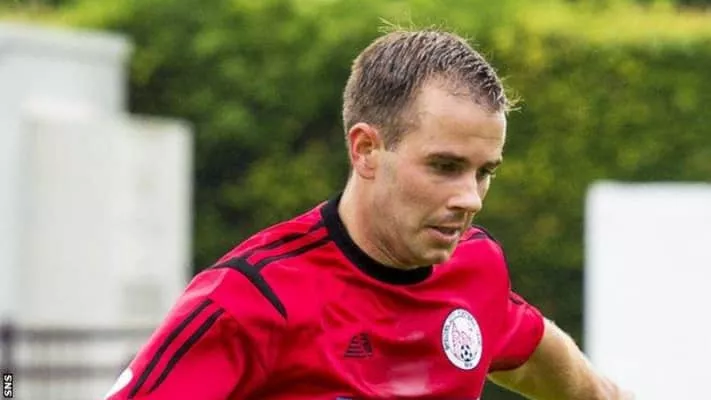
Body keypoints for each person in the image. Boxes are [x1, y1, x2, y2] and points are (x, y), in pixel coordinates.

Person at [105, 29, 633, 400]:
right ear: (365, 150)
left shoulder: (476, 267)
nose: (470, 198)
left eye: (484, 172)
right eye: (445, 166)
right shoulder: (246, 301)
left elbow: (541, 356)